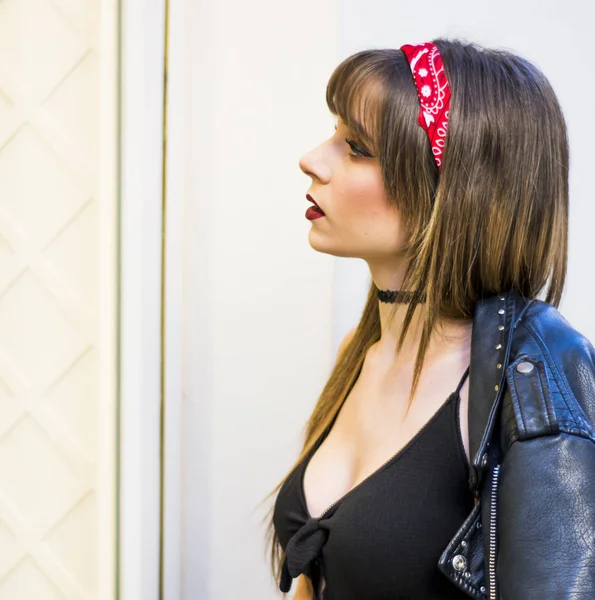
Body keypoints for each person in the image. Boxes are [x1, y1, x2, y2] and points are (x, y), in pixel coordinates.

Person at [260, 38, 595, 599]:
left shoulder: (532, 378)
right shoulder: (358, 353)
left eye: (357, 147)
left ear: (456, 189)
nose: (313, 158)